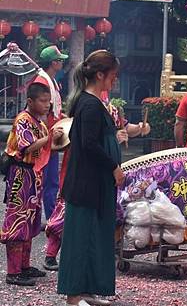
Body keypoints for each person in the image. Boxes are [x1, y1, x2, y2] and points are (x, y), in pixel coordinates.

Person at [43, 95, 149, 274]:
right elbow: (85, 141)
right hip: (78, 169)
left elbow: (125, 127)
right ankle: (51, 254)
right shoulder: (83, 106)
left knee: (107, 211)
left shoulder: (111, 110)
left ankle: (103, 252)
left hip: (103, 169)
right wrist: (115, 137)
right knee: (65, 211)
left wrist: (140, 128)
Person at [57, 50, 124, 306]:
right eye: (112, 75)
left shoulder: (91, 102)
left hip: (93, 184)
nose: (114, 80)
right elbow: (89, 144)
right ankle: (74, 297)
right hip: (87, 184)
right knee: (80, 241)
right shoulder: (90, 105)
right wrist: (113, 167)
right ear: (99, 74)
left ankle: (87, 291)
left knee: (93, 238)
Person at [1, 82, 63, 286]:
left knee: (31, 220)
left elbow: (47, 147)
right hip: (20, 174)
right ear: (30, 101)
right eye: (43, 101)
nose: (47, 105)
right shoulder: (23, 120)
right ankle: (13, 272)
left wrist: (59, 139)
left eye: (48, 101)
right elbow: (27, 147)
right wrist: (48, 138)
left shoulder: (40, 122)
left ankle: (24, 266)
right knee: (18, 219)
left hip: (34, 176)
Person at [33, 45, 68, 220]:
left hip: (51, 133)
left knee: (51, 179)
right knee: (47, 180)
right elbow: (41, 111)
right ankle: (51, 217)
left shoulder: (52, 81)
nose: (62, 63)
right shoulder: (42, 81)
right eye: (60, 60)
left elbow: (53, 110)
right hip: (46, 135)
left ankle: (51, 215)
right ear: (54, 63)